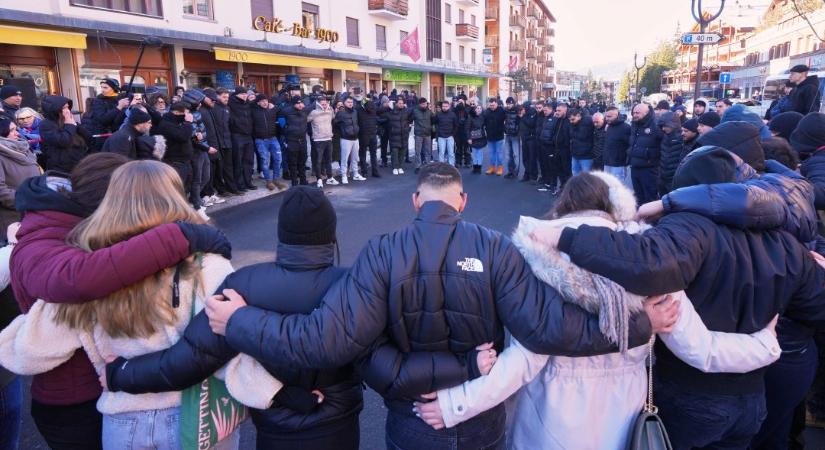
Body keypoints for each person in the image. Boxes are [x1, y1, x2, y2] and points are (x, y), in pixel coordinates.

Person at [196, 162, 659, 450]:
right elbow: (547, 330)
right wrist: (640, 326)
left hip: (413, 416)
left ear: (416, 200)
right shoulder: (497, 248)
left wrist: (239, 319)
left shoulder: (381, 251)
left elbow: (325, 340)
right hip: (481, 419)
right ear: (463, 201)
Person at [414, 171, 781, 449]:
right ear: (618, 205)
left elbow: (525, 359)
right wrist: (765, 343)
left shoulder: (536, 252)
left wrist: (456, 404)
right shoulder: (650, 259)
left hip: (551, 413)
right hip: (624, 414)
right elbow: (702, 350)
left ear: (564, 203)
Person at [530, 146, 825, 449]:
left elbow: (647, 265)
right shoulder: (788, 244)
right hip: (751, 397)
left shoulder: (686, 231)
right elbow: (817, 307)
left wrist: (565, 237)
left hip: (687, 394)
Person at [0, 160, 249, 450]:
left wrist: (10, 342)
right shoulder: (206, 263)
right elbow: (231, 346)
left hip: (121, 418)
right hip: (192, 411)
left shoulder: (94, 264)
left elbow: (33, 349)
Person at [103, 187, 365, 450]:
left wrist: (120, 374)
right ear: (331, 234)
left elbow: (189, 360)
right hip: (339, 420)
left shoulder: (243, 284)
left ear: (282, 233)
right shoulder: (356, 285)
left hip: (275, 426)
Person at [0, 119, 40, 232]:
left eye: (16, 129)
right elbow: (1, 191)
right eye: (11, 130)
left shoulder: (24, 149)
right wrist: (25, 200)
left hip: (34, 210)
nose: (17, 133)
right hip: (14, 218)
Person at [39, 95, 92, 173]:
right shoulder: (46, 125)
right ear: (54, 109)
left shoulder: (67, 121)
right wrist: (70, 125)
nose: (67, 110)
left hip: (79, 162)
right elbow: (63, 141)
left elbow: (88, 137)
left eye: (68, 107)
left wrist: (75, 125)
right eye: (64, 108)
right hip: (61, 167)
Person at [628, 103, 662, 204]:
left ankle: (651, 219)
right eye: (633, 112)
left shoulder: (655, 125)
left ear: (646, 113)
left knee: (650, 197)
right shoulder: (635, 124)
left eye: (638, 113)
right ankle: (641, 217)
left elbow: (663, 144)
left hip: (649, 168)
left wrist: (651, 157)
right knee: (638, 196)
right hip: (635, 166)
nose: (635, 115)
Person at [251, 94, 285, 191]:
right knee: (264, 161)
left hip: (273, 138)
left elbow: (282, 110)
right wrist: (256, 100)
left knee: (278, 159)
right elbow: (250, 104)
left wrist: (274, 106)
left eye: (266, 100)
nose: (265, 102)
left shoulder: (272, 109)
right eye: (262, 101)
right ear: (258, 102)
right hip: (260, 140)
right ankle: (268, 181)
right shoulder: (254, 111)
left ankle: (276, 179)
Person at [87, 79, 129, 152]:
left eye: (105, 87)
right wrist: (119, 107)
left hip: (120, 135)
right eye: (101, 87)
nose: (102, 90)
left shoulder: (121, 98)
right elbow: (103, 119)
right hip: (104, 138)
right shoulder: (98, 101)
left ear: (114, 88)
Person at [229, 86, 256, 191]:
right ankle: (240, 184)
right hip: (237, 135)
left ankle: (248, 182)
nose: (245, 96)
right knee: (238, 161)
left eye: (246, 94)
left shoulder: (248, 104)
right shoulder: (231, 104)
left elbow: (260, 102)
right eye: (242, 94)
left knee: (249, 160)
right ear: (236, 95)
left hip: (248, 135)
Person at [308, 95, 336, 187]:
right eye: (322, 104)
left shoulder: (330, 110)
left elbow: (333, 118)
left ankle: (330, 178)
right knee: (318, 160)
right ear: (318, 103)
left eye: (325, 103)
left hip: (328, 138)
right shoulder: (313, 112)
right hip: (318, 139)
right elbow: (306, 120)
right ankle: (319, 179)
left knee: (328, 160)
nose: (324, 105)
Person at [335, 96, 364, 184]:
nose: (350, 103)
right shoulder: (340, 113)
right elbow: (335, 124)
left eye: (351, 102)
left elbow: (357, 123)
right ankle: (344, 175)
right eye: (348, 102)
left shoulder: (355, 111)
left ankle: (355, 174)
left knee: (355, 158)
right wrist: (342, 132)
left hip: (355, 138)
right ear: (344, 103)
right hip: (345, 139)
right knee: (344, 159)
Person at [657, 111, 686, 196]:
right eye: (662, 126)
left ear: (673, 124)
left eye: (665, 126)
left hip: (674, 180)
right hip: (663, 178)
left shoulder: (683, 138)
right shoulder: (664, 136)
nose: (663, 128)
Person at [602, 106, 630, 185]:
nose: (607, 118)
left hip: (618, 165)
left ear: (617, 115)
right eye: (606, 116)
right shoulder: (609, 126)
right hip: (607, 162)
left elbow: (630, 145)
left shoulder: (626, 128)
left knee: (617, 186)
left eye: (609, 116)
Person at [385, 97, 411, 175]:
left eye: (402, 103)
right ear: (396, 103)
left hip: (404, 135)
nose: (401, 105)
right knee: (395, 152)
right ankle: (395, 167)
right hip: (394, 135)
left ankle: (400, 167)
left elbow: (410, 119)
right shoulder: (391, 111)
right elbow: (384, 116)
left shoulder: (406, 111)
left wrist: (407, 129)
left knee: (402, 152)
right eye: (399, 103)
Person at [356, 96, 381, 178]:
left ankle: (365, 172)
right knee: (372, 154)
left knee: (363, 154)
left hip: (365, 135)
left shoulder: (360, 110)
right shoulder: (373, 109)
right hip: (370, 134)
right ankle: (374, 171)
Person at [483, 98, 505, 175]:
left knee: (499, 153)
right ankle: (492, 168)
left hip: (499, 136)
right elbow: (483, 122)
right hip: (490, 136)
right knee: (491, 153)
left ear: (496, 104)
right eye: (490, 105)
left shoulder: (501, 111)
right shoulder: (486, 111)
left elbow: (507, 119)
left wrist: (503, 129)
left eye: (493, 105)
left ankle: (500, 168)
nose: (492, 106)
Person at [568, 108, 594, 175]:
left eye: (573, 119)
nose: (571, 121)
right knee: (575, 175)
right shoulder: (573, 124)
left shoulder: (589, 121)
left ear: (579, 116)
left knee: (586, 178)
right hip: (575, 154)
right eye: (570, 120)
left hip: (586, 156)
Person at [412, 98, 433, 174]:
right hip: (418, 134)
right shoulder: (415, 111)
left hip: (427, 134)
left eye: (426, 104)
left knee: (428, 151)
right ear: (420, 104)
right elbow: (409, 119)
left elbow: (434, 120)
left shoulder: (429, 111)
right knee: (418, 151)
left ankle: (428, 166)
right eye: (423, 104)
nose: (425, 105)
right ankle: (418, 166)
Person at [519, 101, 538, 182]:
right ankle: (526, 174)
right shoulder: (525, 114)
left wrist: (523, 116)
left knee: (532, 158)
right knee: (525, 157)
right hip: (524, 138)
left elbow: (531, 124)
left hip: (531, 138)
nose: (522, 109)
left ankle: (533, 176)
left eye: (523, 108)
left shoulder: (533, 113)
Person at [433, 101, 457, 167]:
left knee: (451, 153)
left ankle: (451, 166)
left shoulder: (453, 114)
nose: (444, 108)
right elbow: (434, 122)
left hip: (450, 136)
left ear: (449, 106)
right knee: (441, 153)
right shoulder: (438, 114)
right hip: (441, 136)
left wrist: (453, 134)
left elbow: (455, 125)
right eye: (443, 106)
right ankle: (441, 167)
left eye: (446, 106)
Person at [466, 104, 487, 174]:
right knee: (474, 153)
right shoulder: (470, 117)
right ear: (475, 109)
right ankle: (475, 167)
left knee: (480, 153)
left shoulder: (483, 117)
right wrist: (469, 138)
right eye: (477, 108)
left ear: (482, 110)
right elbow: (467, 128)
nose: (478, 109)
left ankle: (479, 168)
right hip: (473, 138)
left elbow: (486, 126)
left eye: (480, 108)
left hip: (481, 138)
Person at [503, 98, 521, 179]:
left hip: (515, 135)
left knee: (515, 155)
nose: (508, 105)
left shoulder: (518, 110)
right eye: (507, 104)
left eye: (509, 104)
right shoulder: (505, 111)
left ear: (513, 103)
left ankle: (515, 173)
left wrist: (517, 131)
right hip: (508, 135)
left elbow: (520, 122)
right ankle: (510, 171)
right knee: (507, 155)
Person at [453, 100, 470, 169]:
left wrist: (466, 104)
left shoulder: (466, 111)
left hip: (465, 132)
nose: (460, 104)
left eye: (461, 103)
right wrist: (455, 105)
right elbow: (452, 111)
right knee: (459, 148)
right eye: (459, 103)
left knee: (466, 149)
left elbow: (470, 111)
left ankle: (467, 162)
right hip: (458, 132)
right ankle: (458, 162)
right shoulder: (455, 111)